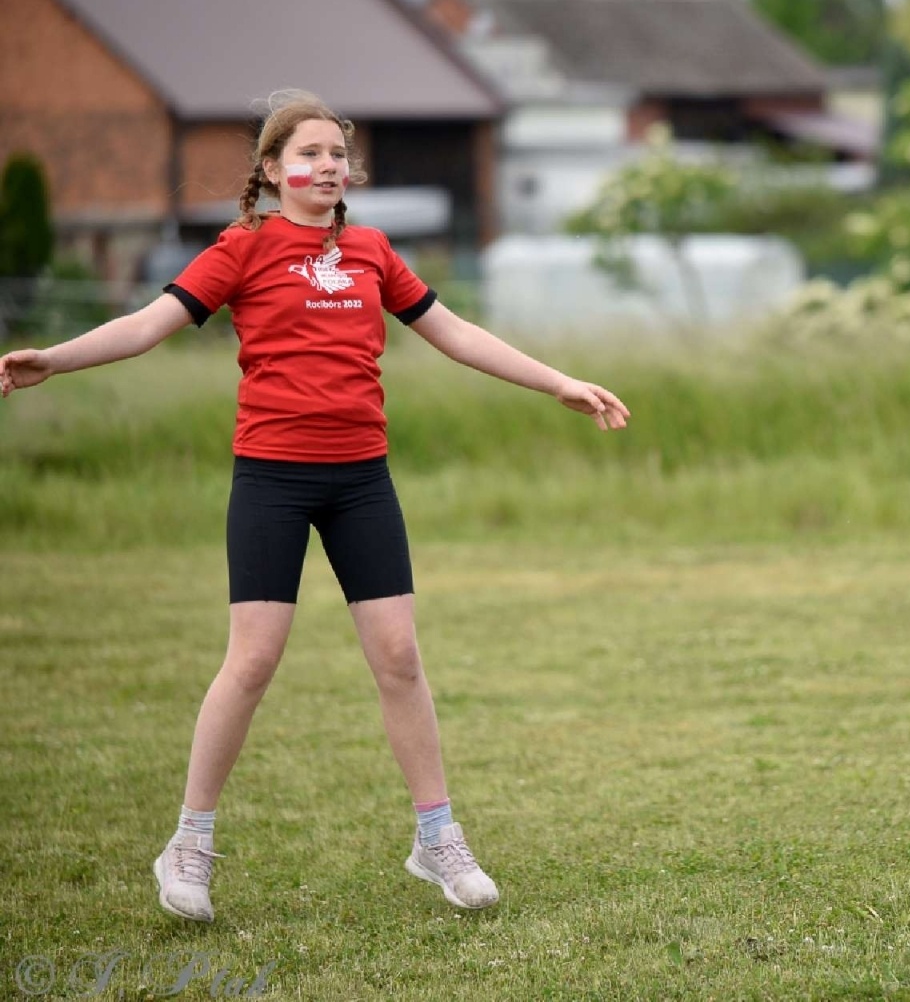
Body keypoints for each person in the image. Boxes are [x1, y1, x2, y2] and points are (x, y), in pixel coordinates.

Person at [0, 90, 631, 922]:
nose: (327, 166)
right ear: (272, 170)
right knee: (254, 660)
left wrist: (560, 382)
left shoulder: (371, 249)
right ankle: (187, 844)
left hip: (362, 479)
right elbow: (148, 325)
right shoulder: (242, 248)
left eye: (338, 154)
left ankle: (436, 838)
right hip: (272, 478)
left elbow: (454, 332)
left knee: (400, 656)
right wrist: (57, 359)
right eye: (309, 154)